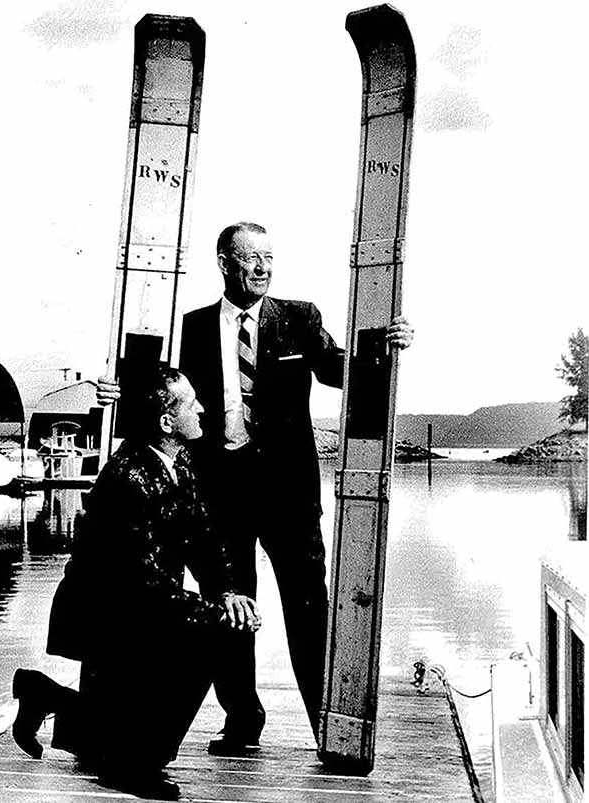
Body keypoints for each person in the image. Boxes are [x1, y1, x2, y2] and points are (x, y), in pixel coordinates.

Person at [97, 221, 413, 755]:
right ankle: (243, 719)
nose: (264, 267)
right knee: (229, 608)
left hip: (289, 497)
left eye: (269, 256)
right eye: (252, 258)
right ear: (225, 262)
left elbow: (342, 371)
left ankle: (327, 724)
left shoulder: (299, 318)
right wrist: (118, 391)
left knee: (310, 610)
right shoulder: (192, 326)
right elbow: (159, 394)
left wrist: (386, 346)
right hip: (218, 496)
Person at [12, 367, 261, 801]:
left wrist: (227, 591)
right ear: (166, 422)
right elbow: (141, 585)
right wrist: (218, 613)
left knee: (109, 729)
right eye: (191, 403)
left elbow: (204, 538)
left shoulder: (176, 460)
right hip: (107, 616)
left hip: (136, 607)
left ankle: (42, 694)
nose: (202, 409)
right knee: (220, 630)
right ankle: (134, 768)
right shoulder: (129, 478)